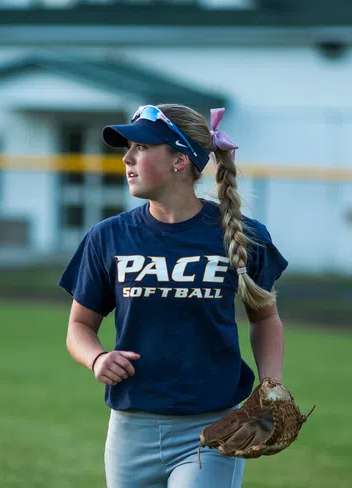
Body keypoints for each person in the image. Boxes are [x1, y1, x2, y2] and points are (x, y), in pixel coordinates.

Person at [58, 103, 289, 487]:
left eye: (142, 148)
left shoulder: (243, 236)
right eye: (127, 148)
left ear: (180, 159)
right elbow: (79, 327)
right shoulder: (107, 237)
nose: (127, 159)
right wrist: (97, 358)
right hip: (131, 429)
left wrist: (271, 386)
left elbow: (265, 318)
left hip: (212, 429)